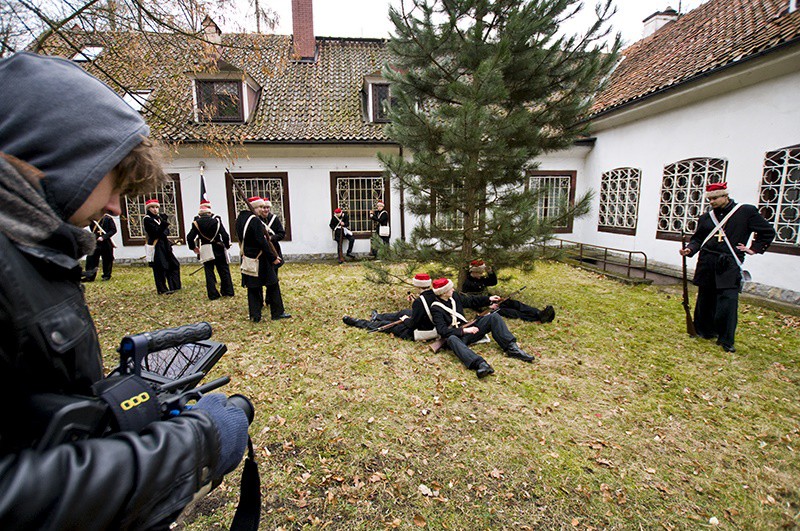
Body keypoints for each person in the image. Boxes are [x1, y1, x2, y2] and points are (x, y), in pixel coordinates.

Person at [0, 52, 249, 529]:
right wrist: (193, 446)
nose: (116, 205)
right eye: (114, 179)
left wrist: (111, 403)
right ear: (64, 156)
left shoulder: (33, 250)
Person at [679, 182, 774, 353]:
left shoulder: (745, 212)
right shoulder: (706, 218)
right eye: (710, 199)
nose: (712, 202)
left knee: (728, 302)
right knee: (705, 299)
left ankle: (726, 339)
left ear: (725, 196)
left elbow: (767, 231)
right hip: (707, 262)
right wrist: (690, 249)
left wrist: (754, 249)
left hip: (728, 263)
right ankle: (704, 331)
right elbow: (698, 238)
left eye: (715, 198)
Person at [430, 277, 534, 379]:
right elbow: (442, 331)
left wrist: (488, 299)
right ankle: (480, 364)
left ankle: (512, 348)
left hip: (468, 330)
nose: (453, 289)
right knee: (452, 339)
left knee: (494, 317)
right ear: (443, 293)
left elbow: (470, 301)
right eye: (450, 289)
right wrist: (464, 330)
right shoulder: (436, 308)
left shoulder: (454, 296)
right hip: (456, 336)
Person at [236, 196, 291, 322]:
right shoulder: (254, 220)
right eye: (260, 207)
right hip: (261, 258)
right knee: (273, 284)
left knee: (253, 287)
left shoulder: (240, 219)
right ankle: (277, 312)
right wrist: (273, 257)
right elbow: (262, 241)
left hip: (248, 257)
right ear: (254, 207)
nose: (263, 209)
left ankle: (255, 315)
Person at [343, 273, 439, 341]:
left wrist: (405, 319)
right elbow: (424, 310)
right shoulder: (434, 294)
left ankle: (358, 322)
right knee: (403, 312)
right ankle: (377, 317)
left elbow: (412, 324)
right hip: (428, 323)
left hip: (419, 331)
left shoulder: (419, 302)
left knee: (386, 325)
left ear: (417, 286)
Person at [462, 259, 555, 323]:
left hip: (490, 300)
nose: (481, 275)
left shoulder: (479, 279)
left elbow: (493, 282)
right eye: (479, 273)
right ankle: (535, 318)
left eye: (481, 272)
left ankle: (538, 313)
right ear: (472, 272)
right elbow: (472, 300)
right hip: (484, 305)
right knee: (511, 312)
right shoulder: (468, 283)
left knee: (515, 304)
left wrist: (490, 272)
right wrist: (489, 305)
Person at [186, 199, 234, 300]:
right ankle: (228, 291)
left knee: (209, 272)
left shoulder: (196, 223)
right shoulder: (216, 221)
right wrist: (226, 245)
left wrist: (193, 247)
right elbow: (225, 235)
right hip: (218, 247)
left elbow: (190, 237)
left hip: (205, 248)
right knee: (224, 270)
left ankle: (212, 294)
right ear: (209, 212)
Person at [143, 198, 182, 294]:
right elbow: (156, 233)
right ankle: (162, 289)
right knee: (160, 267)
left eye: (156, 207)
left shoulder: (159, 218)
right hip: (156, 245)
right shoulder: (147, 219)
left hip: (165, 244)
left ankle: (175, 285)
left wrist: (163, 224)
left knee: (174, 264)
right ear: (148, 209)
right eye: (152, 207)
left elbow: (166, 232)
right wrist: (164, 224)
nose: (155, 209)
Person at [82, 212, 117, 281]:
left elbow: (113, 230)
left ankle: (106, 276)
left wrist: (104, 237)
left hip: (106, 242)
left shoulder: (108, 218)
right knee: (91, 259)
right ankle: (90, 277)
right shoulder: (92, 219)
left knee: (107, 259)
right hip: (95, 241)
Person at [261, 197, 285, 274]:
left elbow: (281, 234)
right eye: (264, 208)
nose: (266, 210)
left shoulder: (274, 219)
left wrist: (271, 238)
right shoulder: (256, 220)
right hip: (262, 250)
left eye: (267, 207)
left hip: (273, 248)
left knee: (274, 273)